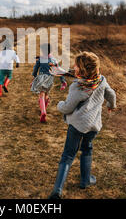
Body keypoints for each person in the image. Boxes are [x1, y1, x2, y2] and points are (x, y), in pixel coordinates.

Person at [48, 51, 117, 199]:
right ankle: (85, 180)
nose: (74, 67)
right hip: (93, 126)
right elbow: (111, 94)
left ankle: (57, 190)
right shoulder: (101, 80)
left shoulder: (78, 87)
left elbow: (67, 108)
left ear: (83, 70)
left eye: (76, 66)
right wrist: (111, 105)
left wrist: (59, 105)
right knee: (87, 149)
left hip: (77, 126)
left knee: (67, 155)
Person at [31, 43, 67, 123]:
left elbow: (35, 70)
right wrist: (63, 81)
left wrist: (34, 77)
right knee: (46, 94)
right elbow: (58, 71)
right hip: (50, 79)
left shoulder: (40, 59)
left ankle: (43, 112)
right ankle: (44, 110)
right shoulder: (54, 60)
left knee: (41, 94)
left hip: (41, 78)